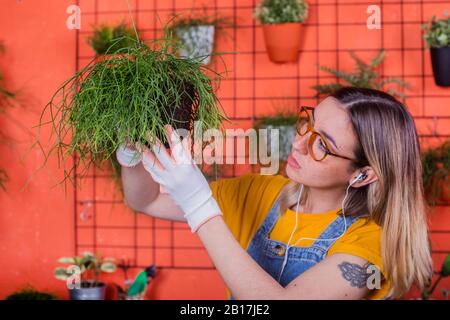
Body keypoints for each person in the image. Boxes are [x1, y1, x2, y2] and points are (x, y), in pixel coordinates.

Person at [116, 86, 433, 300]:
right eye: (307, 125)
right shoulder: (259, 191)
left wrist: (199, 204)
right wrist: (132, 155)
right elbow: (146, 200)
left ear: (363, 174)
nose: (298, 143)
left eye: (322, 145)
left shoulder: (372, 243)